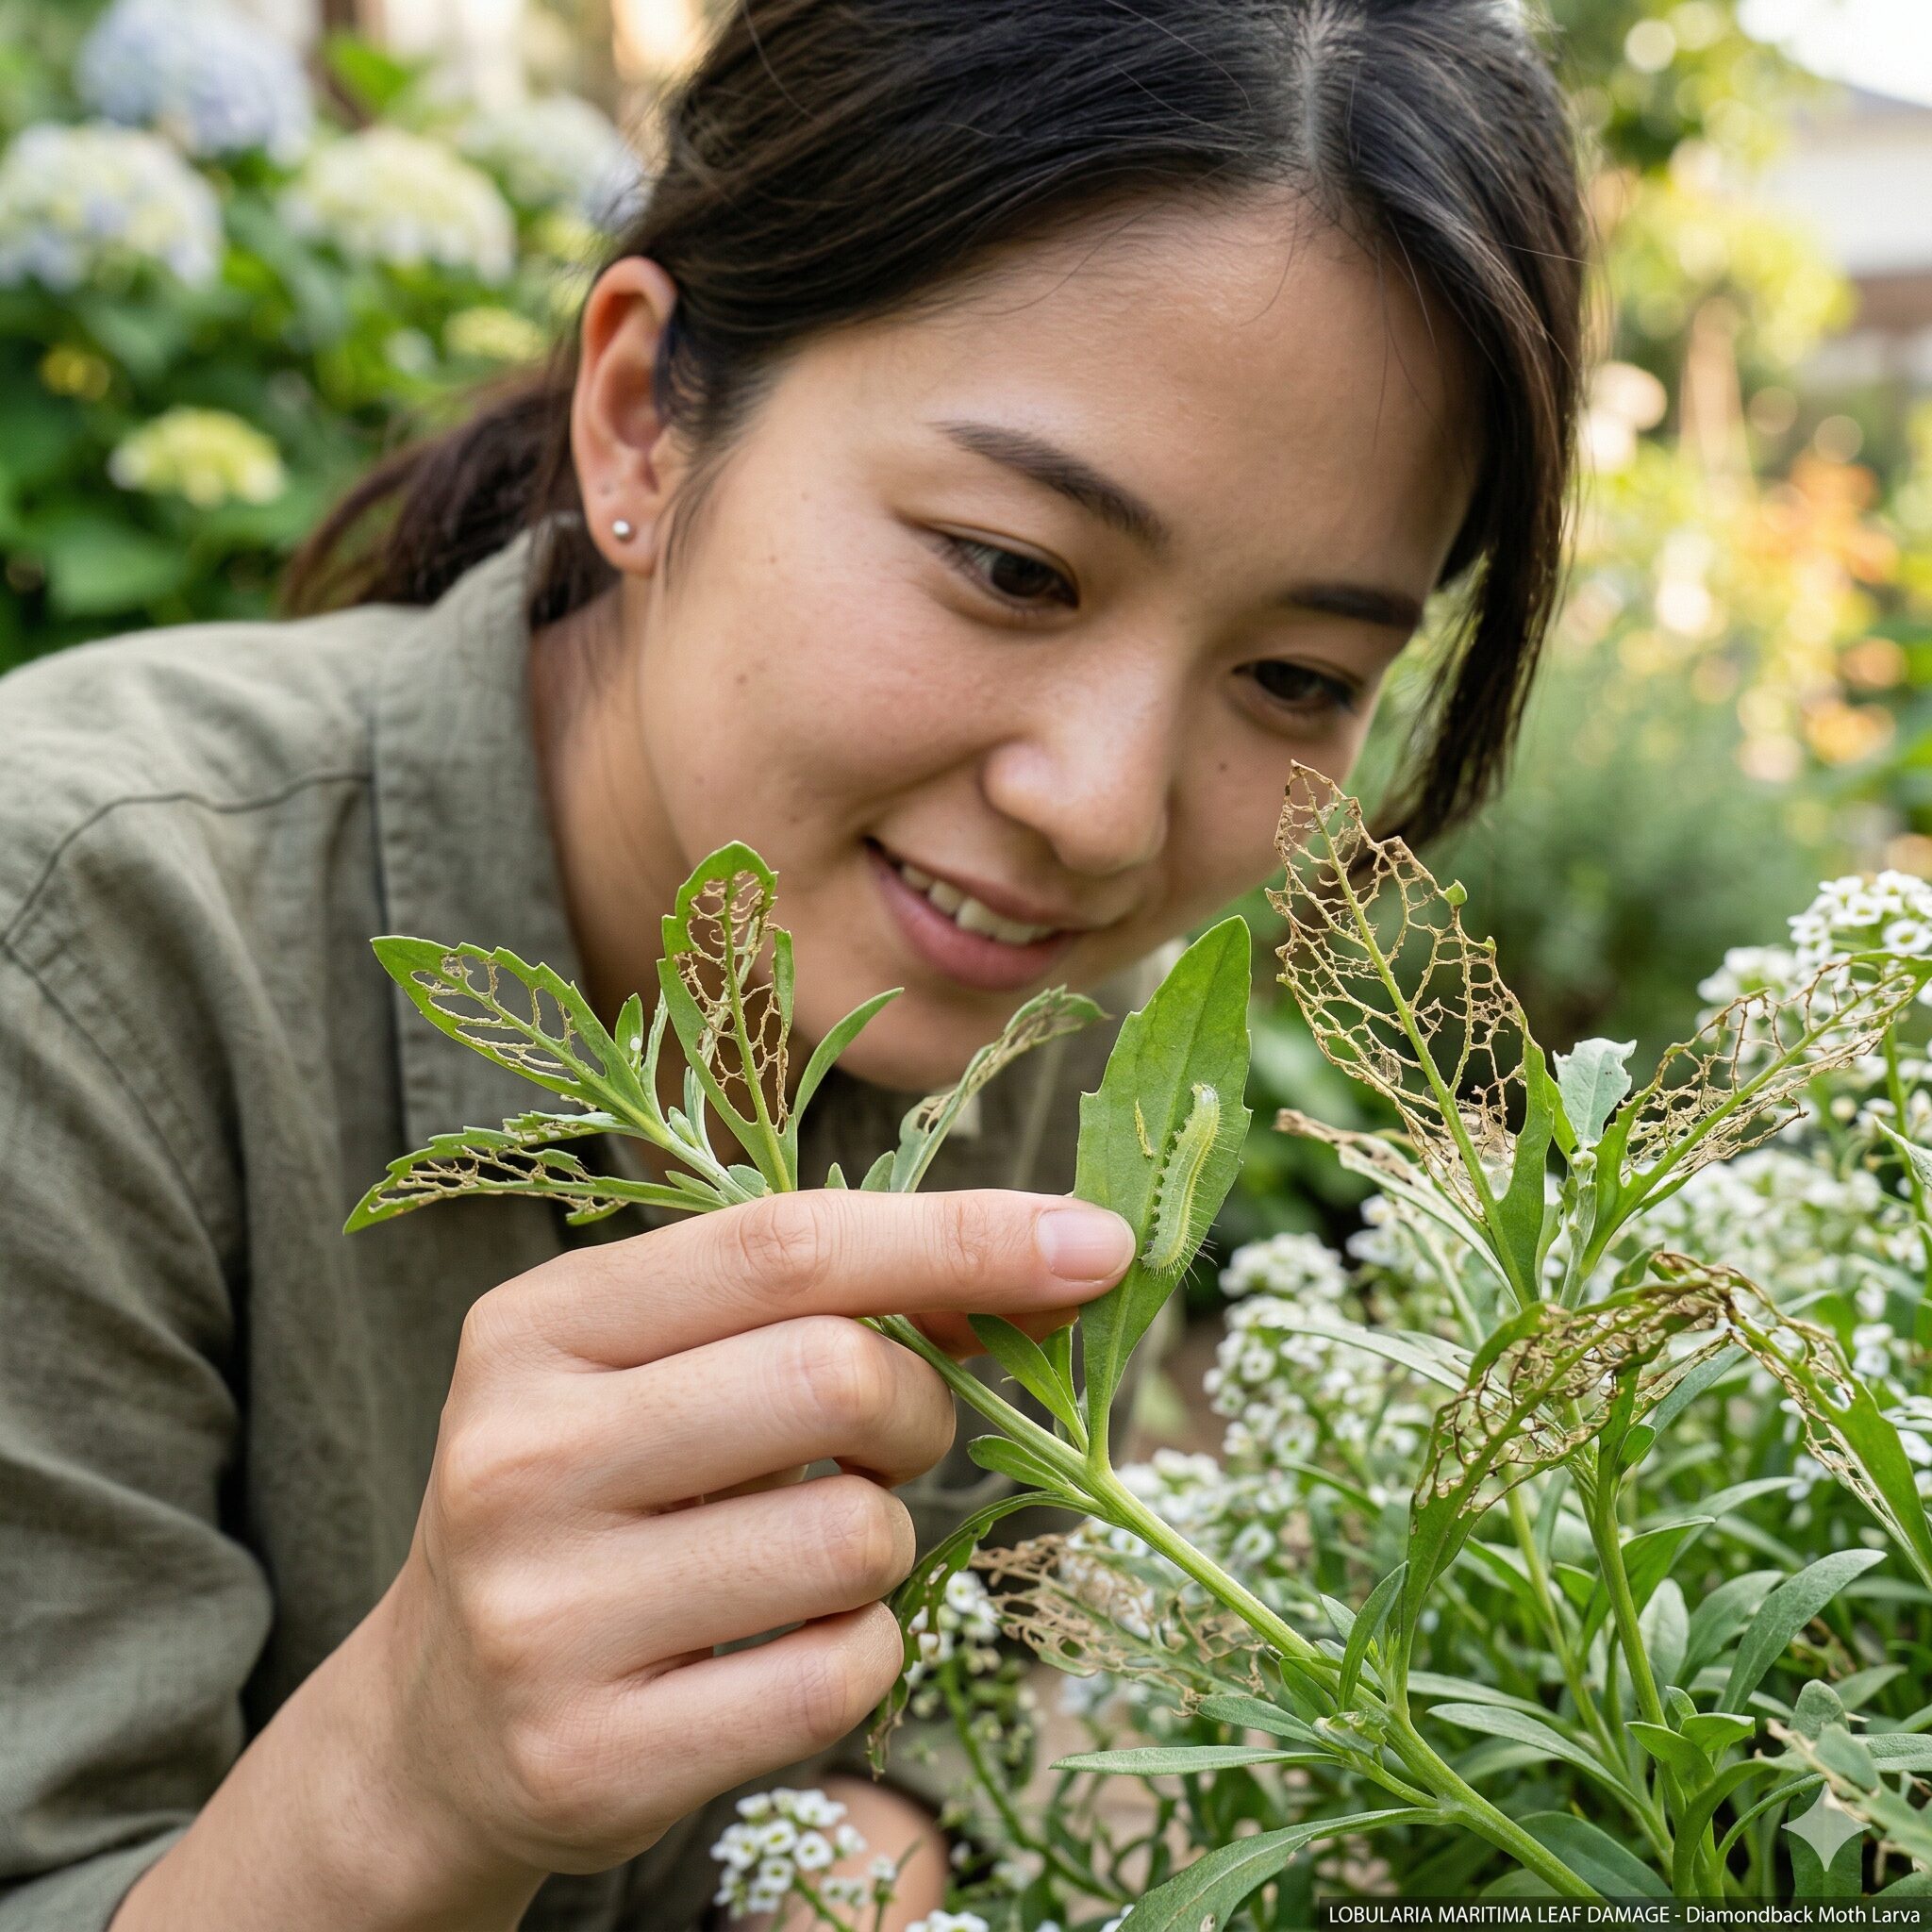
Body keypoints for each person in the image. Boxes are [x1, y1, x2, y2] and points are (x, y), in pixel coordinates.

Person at [0, 1, 1587, 1926]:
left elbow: (1042, 1629)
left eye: (1293, 679)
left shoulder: (1038, 1016)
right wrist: (407, 1776)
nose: (1101, 812)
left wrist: (901, 1828)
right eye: (1012, 565)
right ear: (640, 419)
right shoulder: (76, 944)